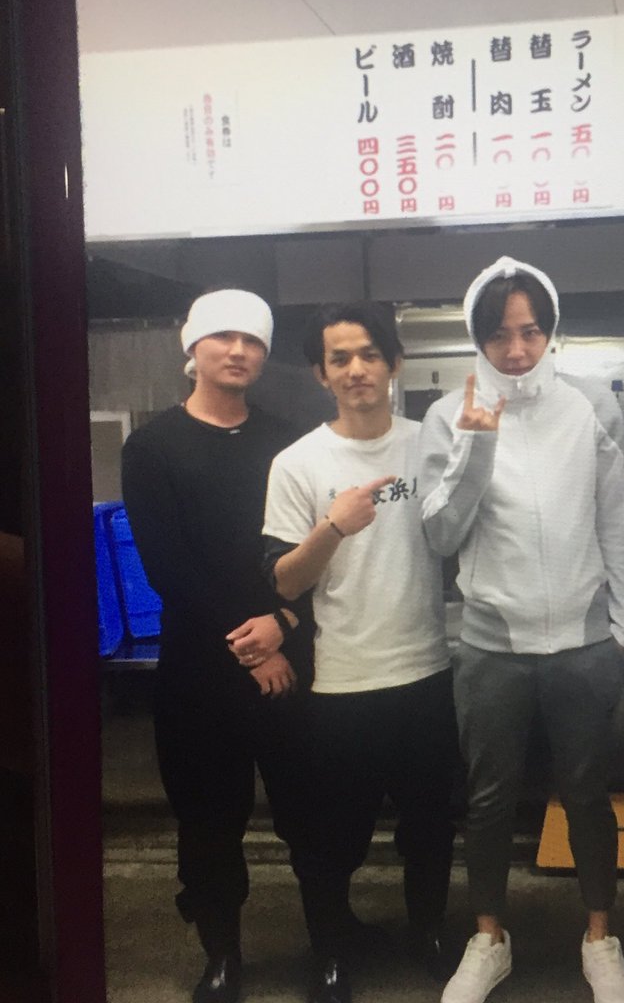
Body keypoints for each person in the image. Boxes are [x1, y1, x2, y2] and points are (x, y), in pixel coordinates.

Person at [418, 255, 624, 1003]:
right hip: (492, 647)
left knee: (588, 797)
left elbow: (616, 522)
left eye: (531, 331)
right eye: (499, 334)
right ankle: (489, 939)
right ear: (476, 336)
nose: (516, 350)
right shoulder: (447, 416)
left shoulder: (591, 407)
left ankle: (600, 938)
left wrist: (622, 631)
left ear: (550, 331)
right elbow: (441, 535)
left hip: (584, 644)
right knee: (488, 801)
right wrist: (477, 444)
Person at [228, 300, 458, 1003]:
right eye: (340, 358)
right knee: (332, 837)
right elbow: (283, 580)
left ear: (394, 363)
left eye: (369, 354)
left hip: (428, 671)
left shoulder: (432, 445)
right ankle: (329, 953)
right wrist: (334, 526)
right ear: (321, 374)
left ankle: (428, 931)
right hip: (342, 684)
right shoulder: (298, 462)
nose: (356, 369)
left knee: (431, 826)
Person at [121, 289, 309, 1003]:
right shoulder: (152, 447)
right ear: (191, 346)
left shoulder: (289, 442)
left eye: (253, 340)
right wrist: (255, 645)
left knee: (310, 811)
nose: (238, 350)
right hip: (202, 668)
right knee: (208, 820)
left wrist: (283, 624)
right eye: (223, 336)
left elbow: (310, 553)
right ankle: (222, 954)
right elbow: (168, 568)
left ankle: (331, 935)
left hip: (289, 655)